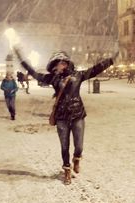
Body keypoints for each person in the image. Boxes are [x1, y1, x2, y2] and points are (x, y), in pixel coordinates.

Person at [14, 47, 119, 185]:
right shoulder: (52, 78)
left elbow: (95, 69)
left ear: (68, 63)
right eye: (58, 62)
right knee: (64, 146)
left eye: (64, 62)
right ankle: (67, 171)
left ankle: (77, 158)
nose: (61, 65)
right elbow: (34, 74)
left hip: (78, 114)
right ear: (54, 65)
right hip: (61, 117)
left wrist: (110, 60)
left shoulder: (78, 75)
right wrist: (22, 60)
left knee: (79, 145)